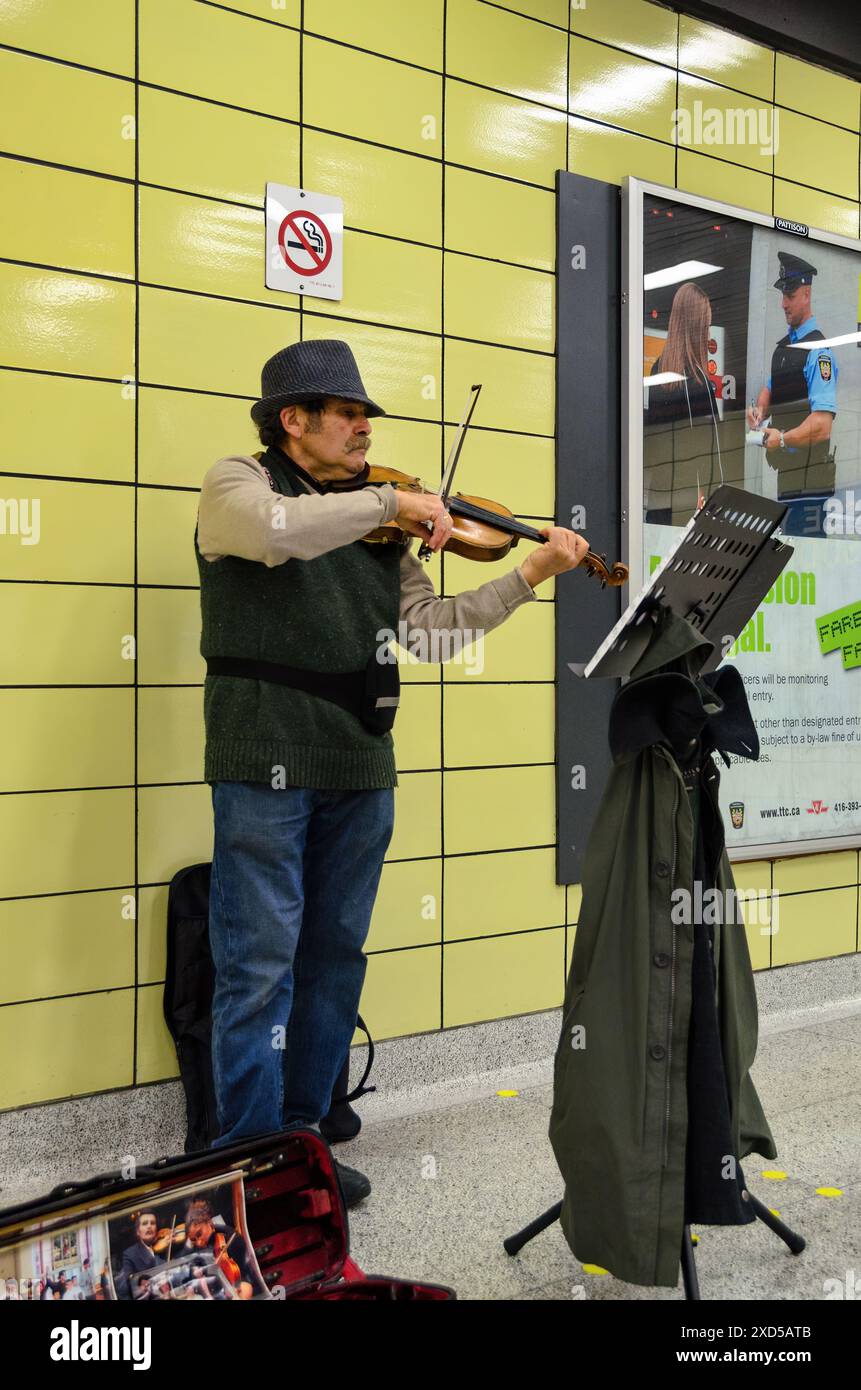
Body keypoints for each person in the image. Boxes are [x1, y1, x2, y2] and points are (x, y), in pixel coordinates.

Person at [195, 338, 589, 1204]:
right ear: (290, 421)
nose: (365, 426)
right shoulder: (239, 485)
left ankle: (304, 1145)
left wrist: (529, 570)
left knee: (334, 959)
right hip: (263, 757)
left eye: (366, 413)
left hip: (362, 763)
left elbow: (433, 634)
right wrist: (391, 500)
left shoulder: (381, 530)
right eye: (347, 412)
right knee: (258, 966)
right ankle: (248, 1163)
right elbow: (271, 534)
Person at [748, 251, 837, 536]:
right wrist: (759, 409)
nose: (783, 303)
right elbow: (771, 388)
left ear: (806, 294)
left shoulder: (818, 351)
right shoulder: (784, 348)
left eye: (790, 295)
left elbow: (822, 427)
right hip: (787, 478)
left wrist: (783, 438)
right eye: (782, 295)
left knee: (807, 566)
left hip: (812, 485)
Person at [644, 281, 723, 524]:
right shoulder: (697, 381)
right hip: (691, 502)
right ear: (698, 326)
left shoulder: (661, 370)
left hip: (662, 495)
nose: (709, 333)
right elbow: (710, 452)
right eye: (706, 325)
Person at [116, 1211, 164, 1299]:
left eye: (152, 1223)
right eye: (145, 1223)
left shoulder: (166, 1246)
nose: (149, 1226)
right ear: (138, 1232)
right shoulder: (130, 1254)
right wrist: (151, 1257)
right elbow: (123, 1289)